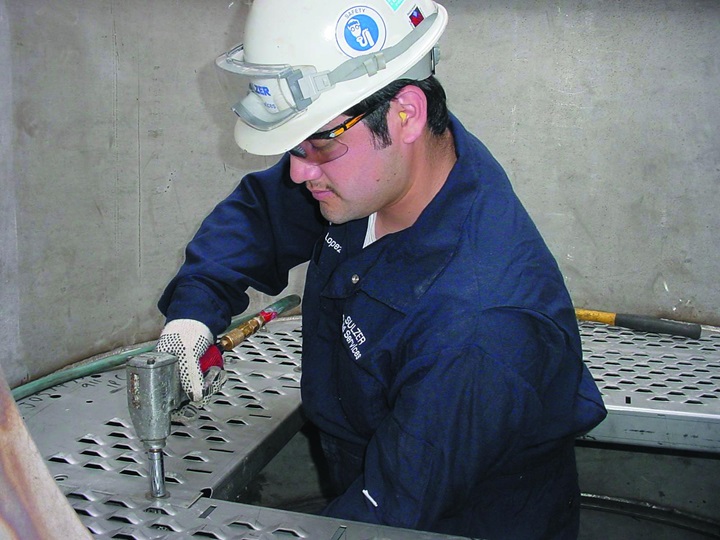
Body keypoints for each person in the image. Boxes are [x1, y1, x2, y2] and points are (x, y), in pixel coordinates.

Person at [155, 1, 607, 538]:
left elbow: (388, 512)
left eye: (318, 142)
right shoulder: (373, 172)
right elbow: (260, 217)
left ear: (407, 114)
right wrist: (194, 311)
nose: (298, 171)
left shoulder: (481, 326)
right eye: (292, 146)